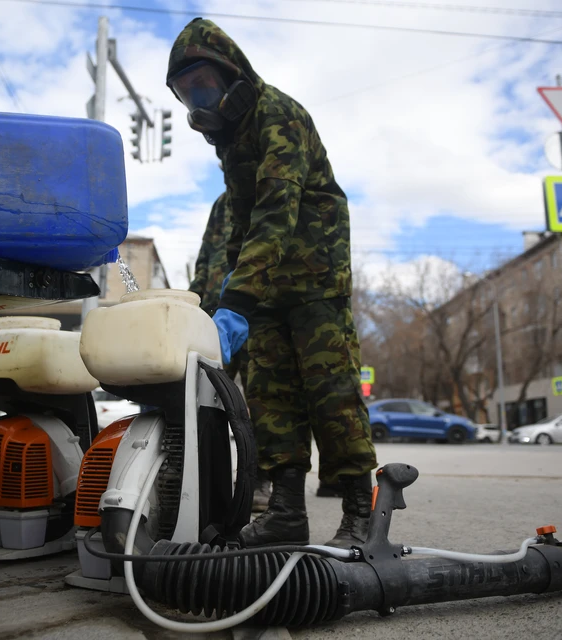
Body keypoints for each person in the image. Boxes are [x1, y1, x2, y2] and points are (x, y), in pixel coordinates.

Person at [166, 19, 377, 548]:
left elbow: (275, 212)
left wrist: (236, 298)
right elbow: (239, 224)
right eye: (187, 92)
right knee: (271, 395)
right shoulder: (231, 141)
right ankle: (286, 511)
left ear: (232, 74)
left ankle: (359, 511)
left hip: (312, 277)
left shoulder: (277, 115)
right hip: (265, 289)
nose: (200, 99)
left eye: (205, 85)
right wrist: (222, 299)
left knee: (331, 391)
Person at [189, 190, 272, 511]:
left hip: (254, 310)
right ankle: (200, 476)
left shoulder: (264, 188)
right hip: (212, 312)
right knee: (203, 396)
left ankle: (260, 480)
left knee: (261, 398)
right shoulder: (223, 202)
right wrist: (192, 301)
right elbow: (205, 255)